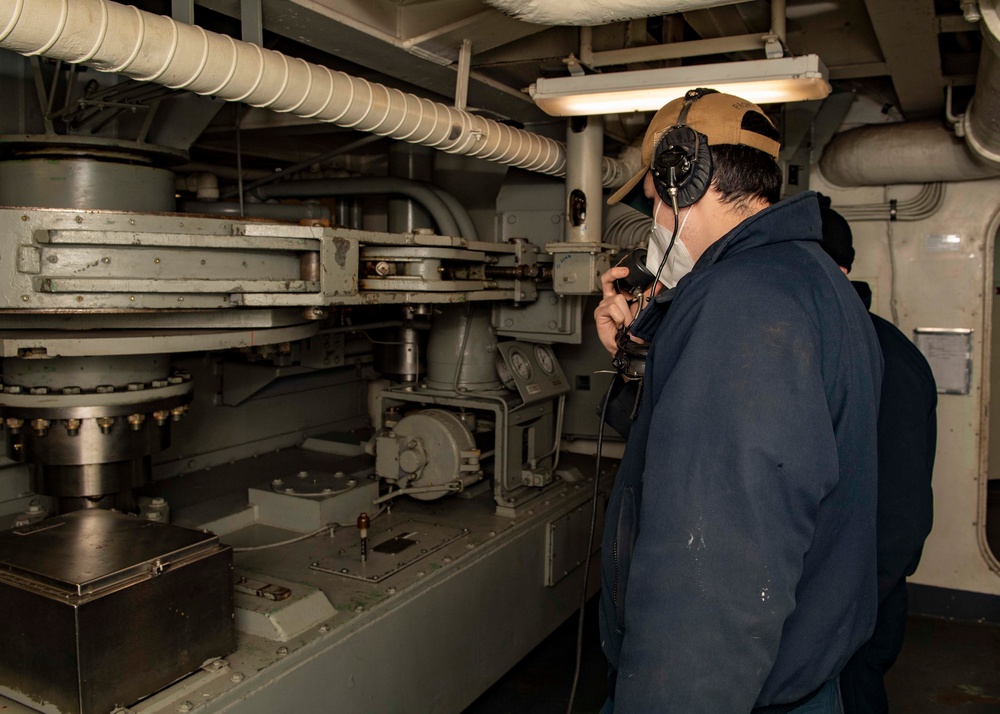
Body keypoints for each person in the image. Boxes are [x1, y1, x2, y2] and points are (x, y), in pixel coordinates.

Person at [593, 88, 883, 713]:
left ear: (679, 180)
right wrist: (644, 354)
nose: (653, 226)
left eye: (651, 203)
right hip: (801, 671)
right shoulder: (808, 280)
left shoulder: (739, 304)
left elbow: (712, 574)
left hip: (731, 689)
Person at [817, 198, 937, 714]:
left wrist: (845, 604)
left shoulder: (888, 359)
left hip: (856, 602)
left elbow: (902, 514)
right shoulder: (810, 348)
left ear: (838, 270)